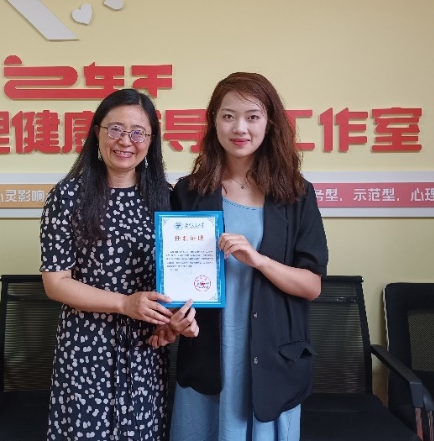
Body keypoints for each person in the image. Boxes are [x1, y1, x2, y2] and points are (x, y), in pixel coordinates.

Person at [158, 72, 328, 441]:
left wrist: (259, 260)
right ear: (213, 122)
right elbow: (173, 276)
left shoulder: (297, 194)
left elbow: (312, 286)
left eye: (252, 116)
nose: (240, 128)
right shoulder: (189, 192)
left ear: (270, 123)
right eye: (228, 116)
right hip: (208, 354)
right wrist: (175, 320)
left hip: (273, 357)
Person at [40, 88, 196, 441]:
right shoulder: (67, 196)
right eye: (115, 129)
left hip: (145, 348)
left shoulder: (166, 197)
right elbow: (56, 282)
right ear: (97, 132)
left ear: (151, 142)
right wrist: (124, 303)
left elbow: (177, 273)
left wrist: (174, 319)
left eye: (138, 132)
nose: (126, 141)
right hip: (85, 347)